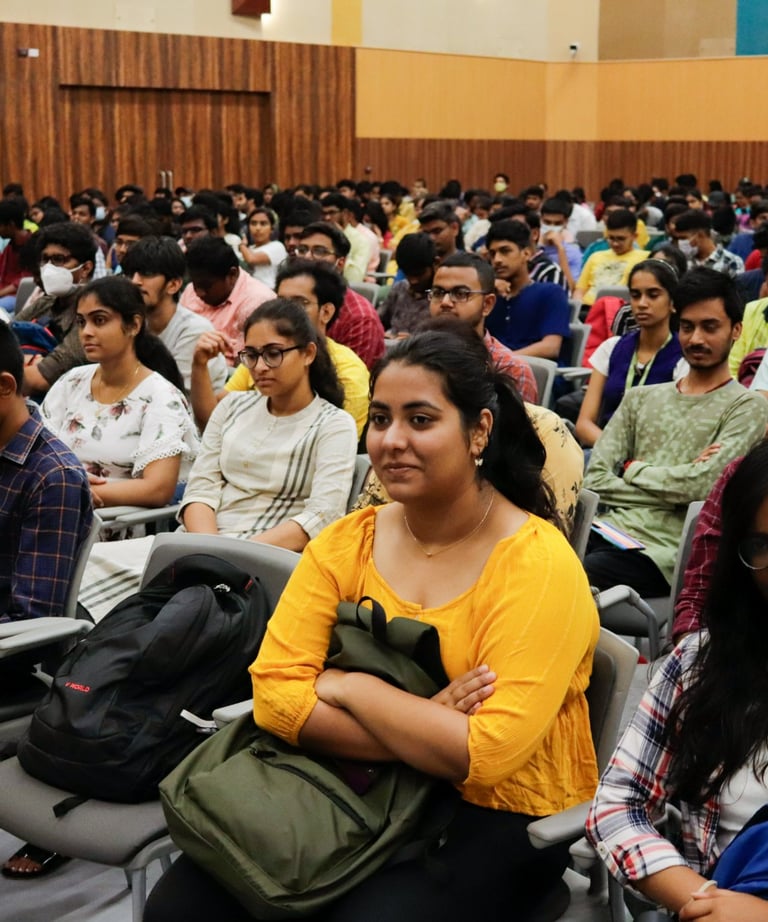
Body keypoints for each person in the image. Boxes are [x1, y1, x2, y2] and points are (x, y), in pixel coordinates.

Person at [143, 326, 599, 922]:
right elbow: (276, 697)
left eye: (420, 420)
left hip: (494, 809)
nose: (392, 440)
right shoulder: (347, 542)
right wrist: (426, 722)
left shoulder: (537, 565)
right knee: (179, 907)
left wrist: (351, 687)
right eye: (380, 419)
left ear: (479, 430)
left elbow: (485, 753)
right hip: (345, 780)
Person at [79, 298, 357, 622]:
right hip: (199, 542)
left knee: (169, 608)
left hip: (267, 559)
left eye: (273, 353)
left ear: (308, 353)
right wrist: (209, 550)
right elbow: (201, 487)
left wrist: (228, 555)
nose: (259, 367)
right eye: (251, 355)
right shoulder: (232, 406)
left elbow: (320, 517)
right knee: (87, 563)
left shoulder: (333, 424)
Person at [587, 438, 768, 921]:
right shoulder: (701, 663)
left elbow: (687, 480)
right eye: (763, 546)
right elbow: (617, 805)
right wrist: (706, 902)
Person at [583, 267, 768, 597]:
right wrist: (675, 489)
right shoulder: (640, 398)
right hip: (603, 530)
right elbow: (595, 479)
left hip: (663, 551)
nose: (696, 339)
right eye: (687, 327)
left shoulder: (747, 407)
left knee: (571, 572)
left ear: (736, 330)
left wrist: (631, 469)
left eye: (710, 327)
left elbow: (702, 488)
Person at [40, 276, 198, 512]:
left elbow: (158, 489)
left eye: (99, 320)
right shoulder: (72, 381)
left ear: (134, 325)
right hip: (51, 505)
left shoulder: (161, 396)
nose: (86, 332)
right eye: (81, 322)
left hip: (112, 519)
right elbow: (38, 453)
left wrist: (73, 491)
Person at [191, 260, 370, 438]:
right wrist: (200, 365)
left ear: (326, 312)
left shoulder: (349, 371)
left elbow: (340, 442)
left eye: (300, 303)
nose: (286, 312)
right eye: (281, 302)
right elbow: (212, 423)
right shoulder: (260, 356)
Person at [575, 259, 687, 448]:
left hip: (654, 455)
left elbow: (679, 431)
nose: (642, 303)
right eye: (635, 295)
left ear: (672, 303)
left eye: (653, 295)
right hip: (604, 448)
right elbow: (584, 424)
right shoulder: (611, 348)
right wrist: (615, 450)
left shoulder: (684, 358)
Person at [121, 235, 228, 395]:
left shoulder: (194, 330)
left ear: (173, 285)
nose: (135, 281)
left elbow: (172, 394)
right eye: (130, 274)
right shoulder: (132, 323)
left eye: (147, 273)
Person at [15, 222, 96, 397]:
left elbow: (44, 376)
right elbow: (7, 335)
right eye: (45, 260)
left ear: (85, 268)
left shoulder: (93, 312)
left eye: (59, 259)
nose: (49, 268)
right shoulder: (46, 303)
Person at [180, 235, 274, 366]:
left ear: (232, 274)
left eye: (206, 286)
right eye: (195, 284)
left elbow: (246, 366)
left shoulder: (257, 302)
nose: (199, 293)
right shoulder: (190, 290)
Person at [485, 219, 570, 359]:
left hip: (535, 369)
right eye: (492, 254)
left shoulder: (550, 293)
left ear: (526, 254)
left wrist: (503, 361)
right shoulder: (490, 296)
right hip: (490, 369)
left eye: (505, 251)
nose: (497, 260)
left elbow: (551, 347)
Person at [574, 209, 649, 307]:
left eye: (621, 239)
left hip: (620, 308)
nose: (615, 243)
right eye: (611, 238)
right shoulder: (595, 256)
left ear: (634, 236)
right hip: (587, 308)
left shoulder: (645, 259)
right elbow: (580, 290)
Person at [238, 207, 287, 289]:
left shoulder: (277, 246)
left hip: (269, 291)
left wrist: (242, 245)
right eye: (253, 223)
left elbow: (251, 259)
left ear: (272, 229)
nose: (257, 228)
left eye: (263, 224)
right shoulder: (249, 249)